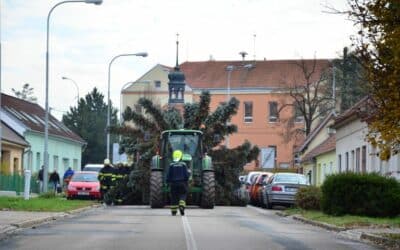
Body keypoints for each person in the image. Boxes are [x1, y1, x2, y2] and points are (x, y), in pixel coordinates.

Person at [166, 150, 190, 216]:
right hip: (182, 183)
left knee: (174, 197)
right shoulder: (184, 164)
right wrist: (187, 181)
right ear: (181, 156)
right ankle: (181, 205)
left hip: (173, 184)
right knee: (183, 194)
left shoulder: (171, 165)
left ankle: (174, 211)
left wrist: (168, 182)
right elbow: (186, 175)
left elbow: (168, 176)